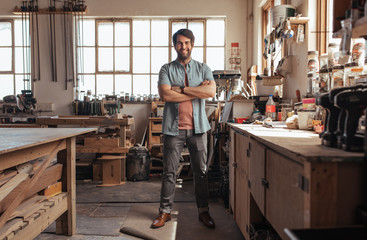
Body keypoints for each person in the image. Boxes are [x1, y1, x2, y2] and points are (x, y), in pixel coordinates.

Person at [151, 28, 216, 229]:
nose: (183, 46)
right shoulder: (166, 69)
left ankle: (203, 211)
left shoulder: (204, 68)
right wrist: (198, 92)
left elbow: (211, 91)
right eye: (179, 43)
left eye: (187, 43)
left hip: (198, 129)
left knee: (201, 172)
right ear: (174, 45)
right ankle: (164, 212)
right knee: (169, 172)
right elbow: (166, 96)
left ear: (192, 44)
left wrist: (183, 89)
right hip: (173, 129)